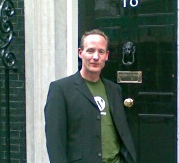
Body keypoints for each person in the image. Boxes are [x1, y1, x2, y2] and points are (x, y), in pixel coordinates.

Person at [44, 29, 137, 163]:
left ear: (107, 55)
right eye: (90, 51)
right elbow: (55, 141)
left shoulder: (114, 89)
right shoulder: (60, 89)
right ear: (80, 53)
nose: (95, 57)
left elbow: (122, 132)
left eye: (101, 51)